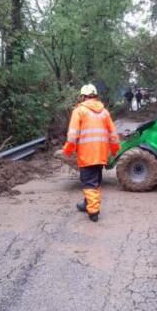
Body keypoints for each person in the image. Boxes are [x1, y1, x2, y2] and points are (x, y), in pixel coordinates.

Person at [63, 84, 120, 222]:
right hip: (101, 154)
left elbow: (72, 134)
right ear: (95, 96)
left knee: (89, 183)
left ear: (83, 96)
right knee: (95, 180)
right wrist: (114, 150)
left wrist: (68, 150)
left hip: (87, 154)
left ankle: (93, 211)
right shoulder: (104, 112)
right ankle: (87, 203)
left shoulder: (79, 111)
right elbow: (113, 134)